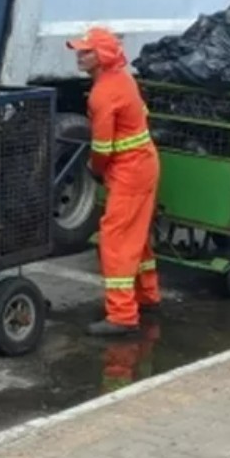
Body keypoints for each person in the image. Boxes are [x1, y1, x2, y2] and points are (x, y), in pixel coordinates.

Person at [69, 27, 161, 336]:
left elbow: (102, 147)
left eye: (87, 52)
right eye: (80, 51)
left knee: (115, 239)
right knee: (136, 234)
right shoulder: (123, 79)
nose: (80, 56)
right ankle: (147, 296)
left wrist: (94, 169)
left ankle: (122, 315)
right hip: (144, 163)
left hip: (129, 170)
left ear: (104, 55)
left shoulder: (103, 94)